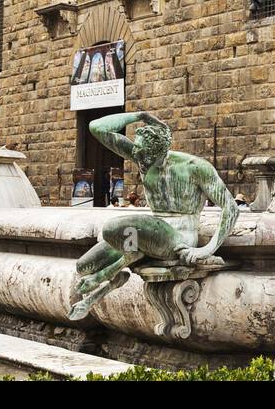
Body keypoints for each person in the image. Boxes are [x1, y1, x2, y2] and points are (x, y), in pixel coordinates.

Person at [69, 112, 237, 321]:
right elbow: (96, 127)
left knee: (117, 228)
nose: (135, 152)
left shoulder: (195, 167)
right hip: (146, 233)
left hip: (178, 237)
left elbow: (231, 208)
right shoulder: (143, 159)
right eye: (136, 147)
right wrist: (140, 116)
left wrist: (206, 249)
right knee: (84, 266)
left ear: (157, 149)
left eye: (140, 148)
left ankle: (110, 274)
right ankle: (116, 274)